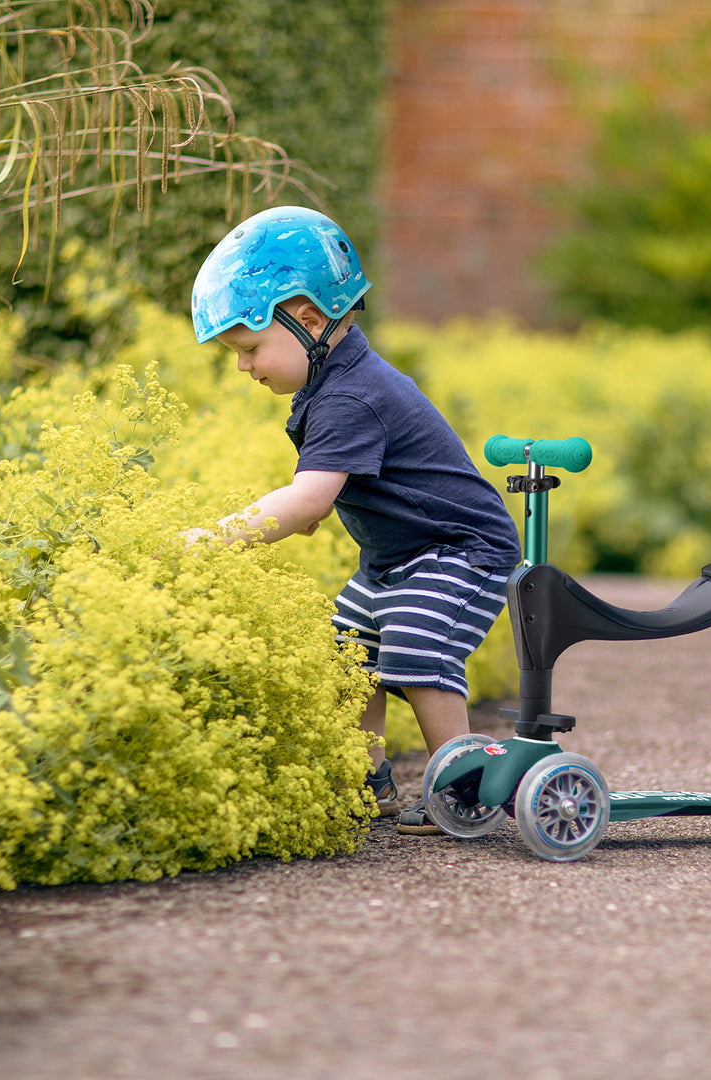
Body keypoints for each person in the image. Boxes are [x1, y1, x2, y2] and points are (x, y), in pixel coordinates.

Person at [189, 206, 521, 834]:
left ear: (309, 319)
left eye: (250, 348)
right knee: (346, 654)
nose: (244, 367)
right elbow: (324, 497)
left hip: (461, 550)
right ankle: (365, 781)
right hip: (397, 559)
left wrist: (217, 539)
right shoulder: (335, 383)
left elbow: (310, 501)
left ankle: (464, 785)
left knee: (418, 649)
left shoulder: (349, 395)